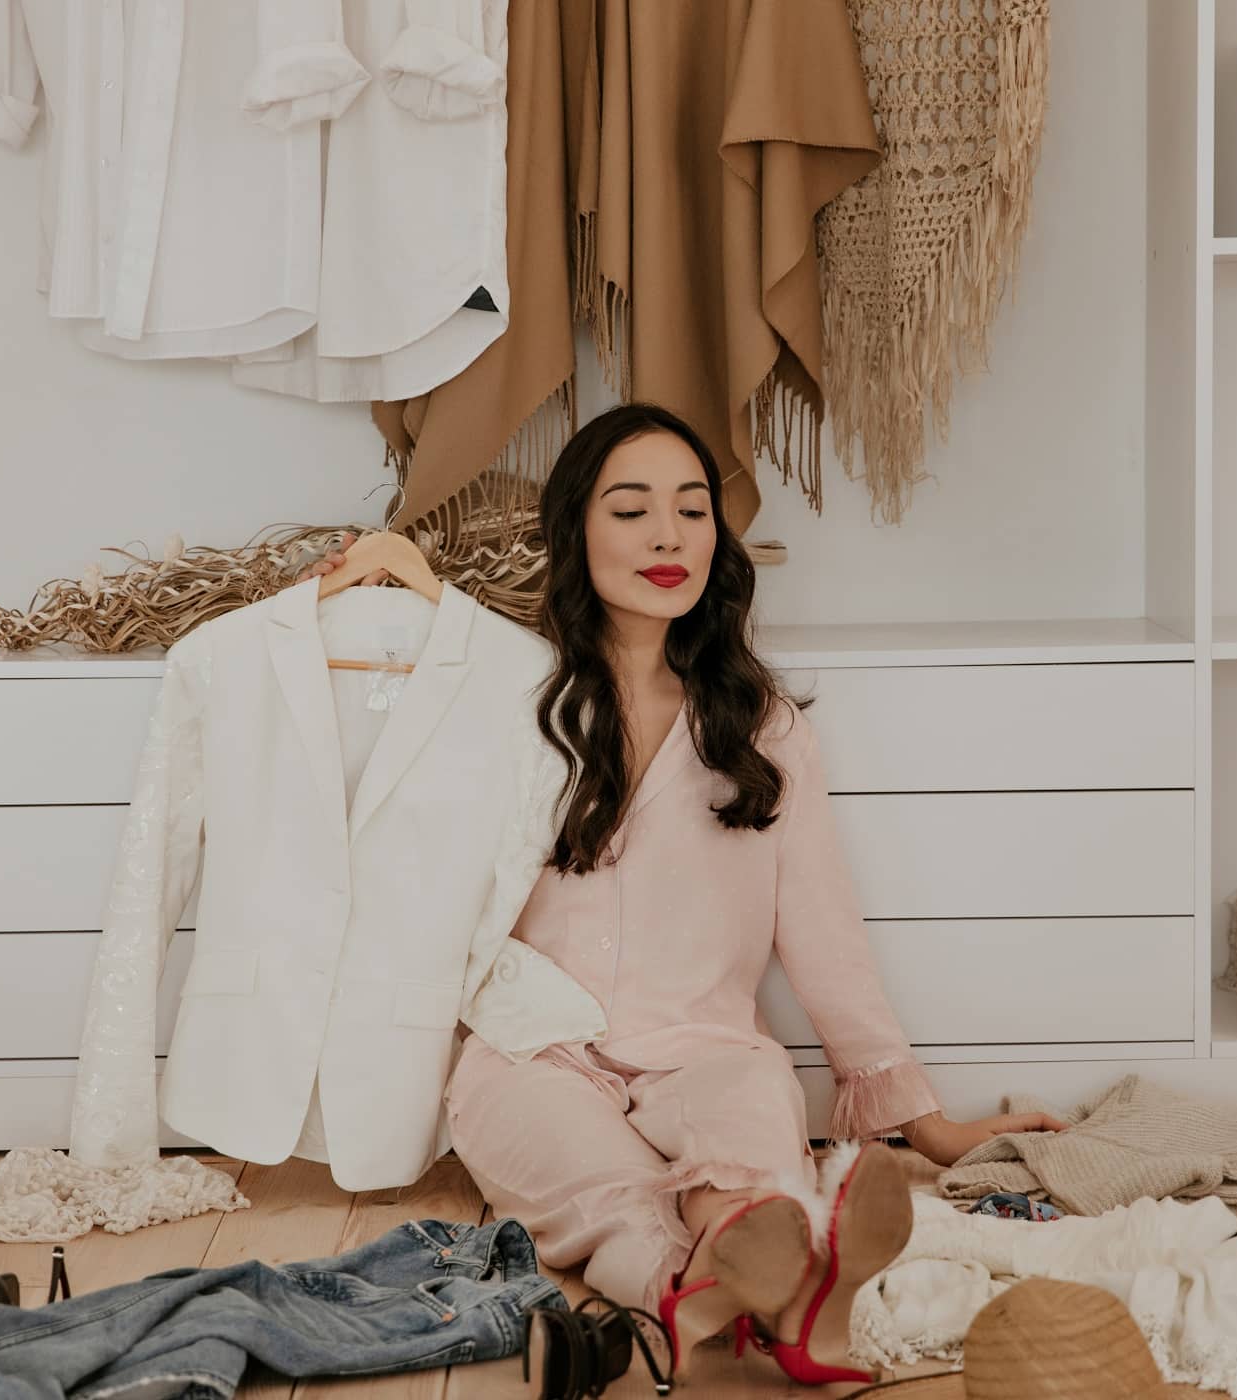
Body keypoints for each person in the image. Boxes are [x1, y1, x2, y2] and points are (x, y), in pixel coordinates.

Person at [308, 403, 1065, 1385]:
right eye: (632, 509)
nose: (670, 535)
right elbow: (405, 720)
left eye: (693, 508)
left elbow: (825, 936)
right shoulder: (505, 702)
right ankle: (781, 1303)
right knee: (615, 1194)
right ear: (577, 529)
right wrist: (403, 586)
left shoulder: (763, 729)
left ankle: (735, 1268)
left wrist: (923, 1120)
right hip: (532, 1052)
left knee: (751, 1162)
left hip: (709, 1046)